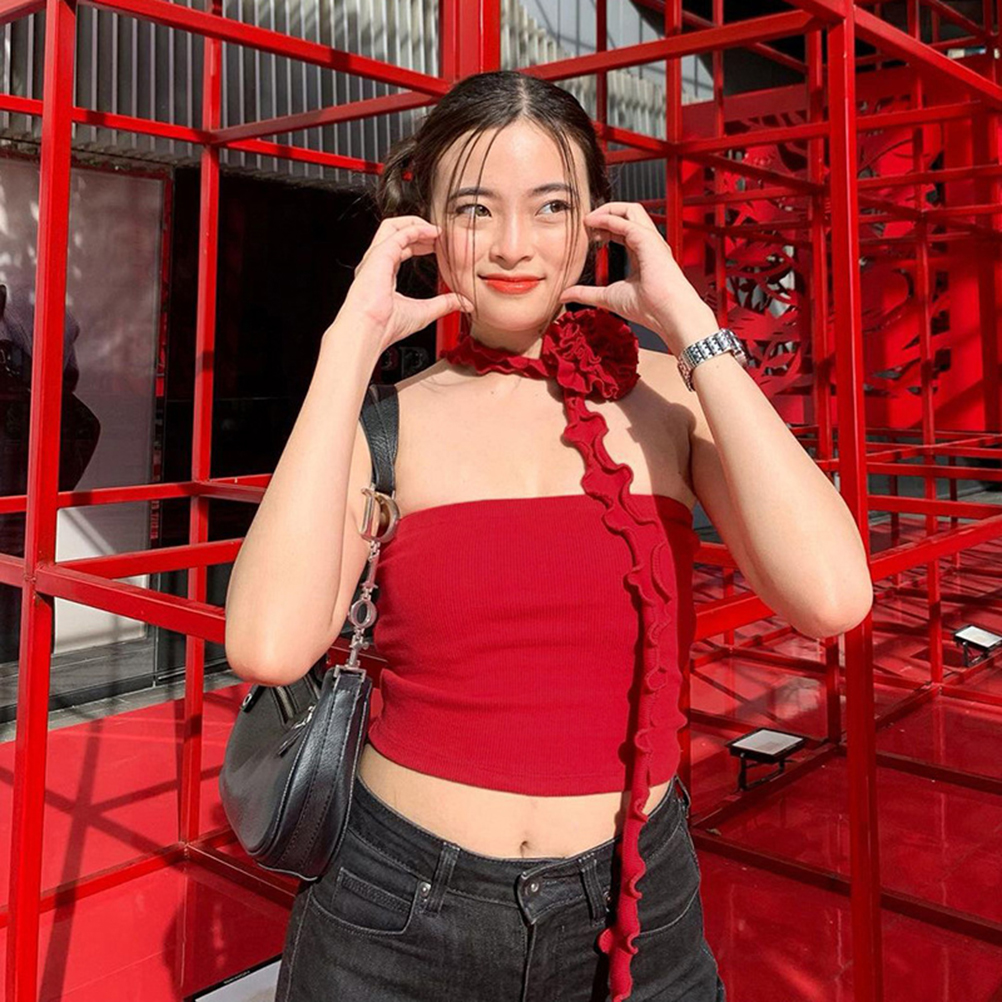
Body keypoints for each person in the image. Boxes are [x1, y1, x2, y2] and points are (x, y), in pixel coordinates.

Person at [225, 69, 873, 1002]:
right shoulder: (386, 422)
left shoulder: (670, 397)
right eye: (475, 209)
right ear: (427, 225)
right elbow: (266, 646)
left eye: (551, 205)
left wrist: (689, 323)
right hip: (395, 911)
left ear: (601, 221)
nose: (513, 245)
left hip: (638, 907)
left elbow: (831, 596)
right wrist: (346, 350)